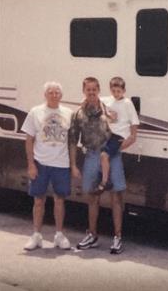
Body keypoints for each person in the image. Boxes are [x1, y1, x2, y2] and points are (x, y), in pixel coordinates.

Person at [69, 76, 133, 254]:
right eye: (88, 89)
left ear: (98, 90)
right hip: (91, 155)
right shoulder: (78, 114)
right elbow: (73, 141)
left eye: (94, 89)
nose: (91, 92)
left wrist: (122, 145)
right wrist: (73, 165)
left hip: (111, 155)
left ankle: (117, 237)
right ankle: (92, 235)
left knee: (116, 197)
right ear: (84, 91)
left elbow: (123, 125)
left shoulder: (108, 107)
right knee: (92, 197)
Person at [21, 81, 73, 251]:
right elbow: (29, 139)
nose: (54, 95)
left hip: (61, 164)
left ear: (61, 95)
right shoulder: (35, 112)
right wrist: (31, 165)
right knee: (38, 200)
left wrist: (73, 165)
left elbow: (72, 142)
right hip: (40, 163)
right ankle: (36, 235)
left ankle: (59, 235)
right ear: (45, 95)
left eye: (57, 92)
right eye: (50, 92)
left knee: (60, 200)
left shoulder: (68, 113)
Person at [96, 77, 139, 194]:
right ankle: (104, 177)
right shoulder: (108, 100)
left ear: (124, 91)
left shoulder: (127, 103)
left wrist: (133, 136)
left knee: (104, 155)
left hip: (119, 135)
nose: (116, 94)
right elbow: (97, 99)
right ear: (110, 90)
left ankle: (105, 182)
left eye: (119, 91)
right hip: (108, 134)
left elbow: (134, 120)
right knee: (101, 154)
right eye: (114, 91)